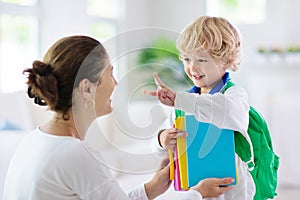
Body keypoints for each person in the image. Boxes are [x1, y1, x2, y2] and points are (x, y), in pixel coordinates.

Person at [3, 35, 234, 200]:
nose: (115, 83)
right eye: (110, 75)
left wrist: (151, 188)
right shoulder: (75, 154)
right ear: (86, 88)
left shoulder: (36, 140)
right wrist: (197, 194)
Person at [145, 16, 256, 200]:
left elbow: (224, 110)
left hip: (232, 190)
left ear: (227, 61)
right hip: (196, 189)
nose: (192, 67)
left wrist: (180, 100)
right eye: (187, 59)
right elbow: (161, 149)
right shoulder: (182, 104)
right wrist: (161, 139)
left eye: (202, 60)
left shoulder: (235, 95)